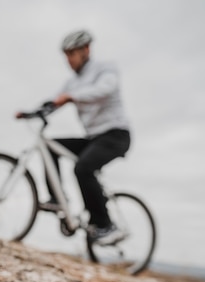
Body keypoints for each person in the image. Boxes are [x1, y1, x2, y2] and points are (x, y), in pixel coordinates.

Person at [33, 29, 131, 245]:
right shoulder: (72, 82)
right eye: (66, 55)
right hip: (94, 137)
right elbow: (56, 99)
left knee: (83, 168)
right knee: (50, 146)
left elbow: (105, 89)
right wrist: (34, 111)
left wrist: (71, 97)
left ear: (86, 50)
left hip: (116, 135)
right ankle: (58, 200)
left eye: (72, 54)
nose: (68, 60)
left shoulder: (105, 68)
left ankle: (107, 225)